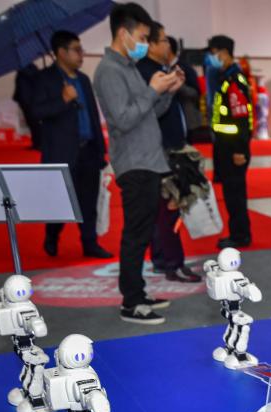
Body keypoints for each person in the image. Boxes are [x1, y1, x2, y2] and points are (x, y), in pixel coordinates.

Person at [93, 3, 185, 325]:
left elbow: (148, 114)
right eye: (143, 37)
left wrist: (166, 92)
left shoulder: (128, 67)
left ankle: (138, 292)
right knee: (135, 234)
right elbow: (123, 119)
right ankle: (131, 301)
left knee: (143, 232)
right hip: (134, 163)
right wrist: (151, 90)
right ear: (124, 33)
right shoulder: (109, 70)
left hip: (148, 160)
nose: (145, 44)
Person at [31, 31, 111, 260]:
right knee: (60, 201)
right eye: (76, 50)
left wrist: (100, 149)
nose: (81, 54)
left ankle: (89, 242)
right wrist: (63, 100)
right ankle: (52, 235)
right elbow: (36, 112)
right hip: (62, 152)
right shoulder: (44, 79)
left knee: (88, 201)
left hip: (88, 149)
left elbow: (93, 116)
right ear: (61, 52)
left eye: (81, 49)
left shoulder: (83, 80)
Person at [137, 22, 201, 283]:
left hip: (171, 146)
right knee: (167, 208)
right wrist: (167, 90)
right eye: (163, 40)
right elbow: (151, 112)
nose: (168, 45)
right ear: (151, 44)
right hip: (161, 149)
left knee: (166, 208)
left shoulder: (162, 70)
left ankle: (165, 260)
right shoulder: (147, 72)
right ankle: (171, 262)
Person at [206, 35, 254, 250]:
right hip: (225, 146)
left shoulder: (234, 81)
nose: (212, 58)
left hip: (234, 148)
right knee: (230, 193)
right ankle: (237, 232)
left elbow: (242, 119)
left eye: (214, 53)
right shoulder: (225, 78)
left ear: (224, 53)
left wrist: (240, 150)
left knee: (235, 195)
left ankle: (240, 234)